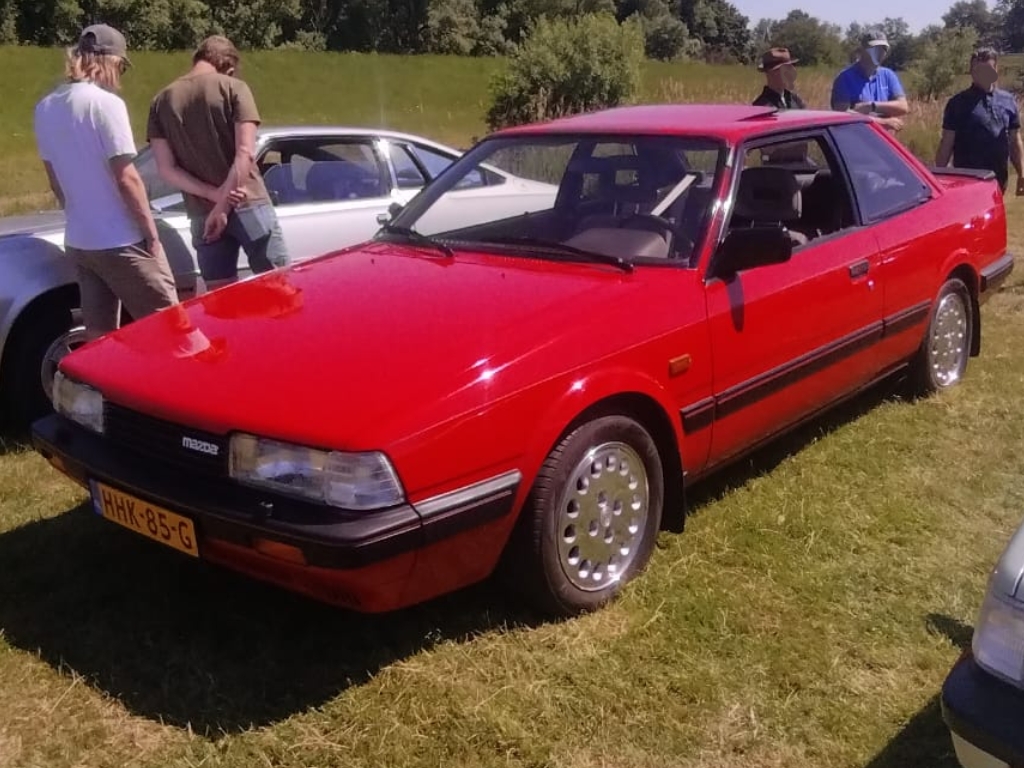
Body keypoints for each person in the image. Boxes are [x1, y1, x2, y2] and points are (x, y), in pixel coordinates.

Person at [34, 24, 178, 342]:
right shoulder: (105, 104)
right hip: (122, 240)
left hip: (81, 241)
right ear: (109, 61)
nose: (121, 75)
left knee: (99, 338)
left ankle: (97, 392)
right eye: (122, 66)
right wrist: (151, 236)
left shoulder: (44, 108)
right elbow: (127, 177)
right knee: (171, 331)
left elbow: (55, 180)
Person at [146, 35, 289, 291]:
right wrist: (223, 207)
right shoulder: (234, 87)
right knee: (280, 290)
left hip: (201, 214)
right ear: (229, 66)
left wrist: (212, 196)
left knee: (219, 301)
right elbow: (244, 152)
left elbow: (166, 169)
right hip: (248, 203)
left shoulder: (161, 101)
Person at [935, 49, 1024, 196]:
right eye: (978, 70)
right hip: (968, 183)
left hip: (999, 181)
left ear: (995, 69)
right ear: (971, 71)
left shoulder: (1008, 100)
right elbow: (946, 143)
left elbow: (1015, 141)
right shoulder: (957, 104)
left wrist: (1021, 174)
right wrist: (937, 178)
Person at [830, 29, 908, 133]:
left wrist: (871, 106)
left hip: (884, 142)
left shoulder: (888, 75)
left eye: (883, 49)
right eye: (874, 48)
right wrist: (881, 122)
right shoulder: (845, 78)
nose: (879, 53)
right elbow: (842, 115)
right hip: (855, 141)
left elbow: (903, 107)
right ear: (862, 50)